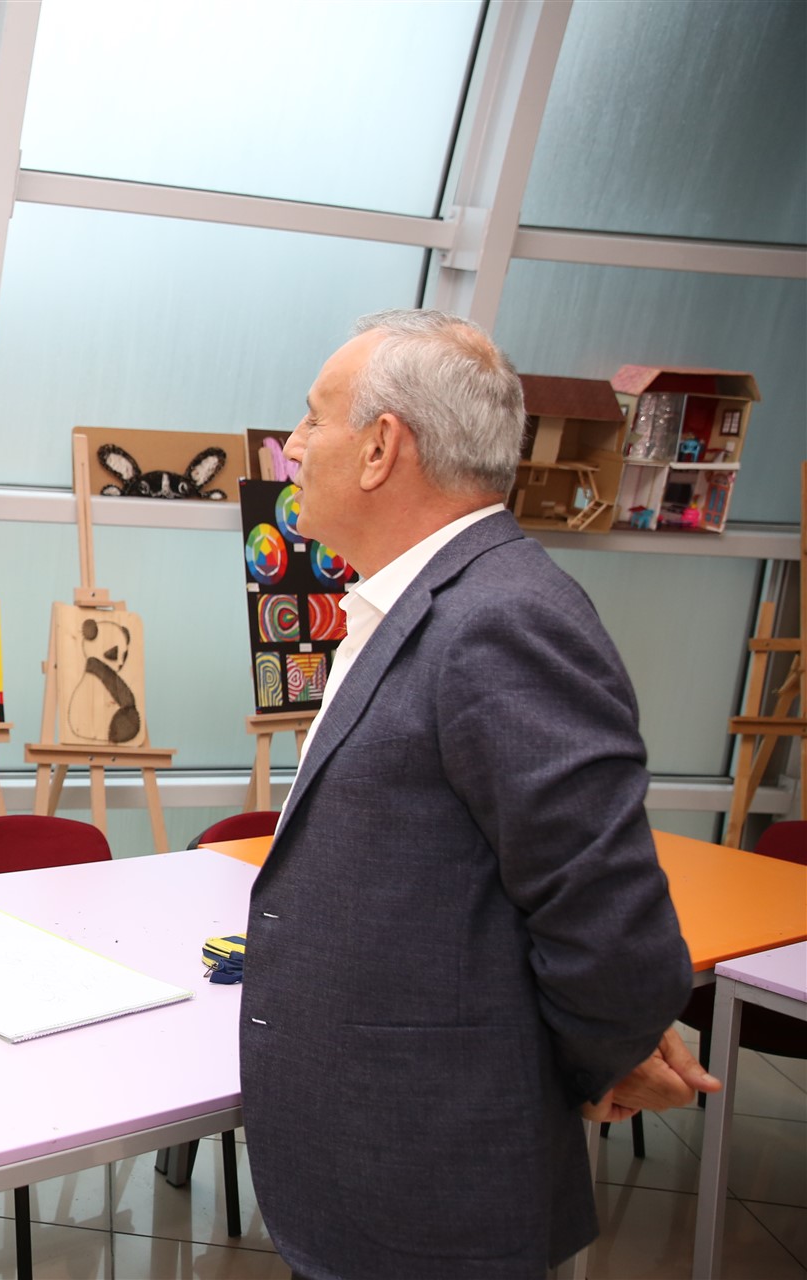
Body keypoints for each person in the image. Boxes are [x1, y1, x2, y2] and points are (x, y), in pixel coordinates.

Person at [243, 310, 713, 1277]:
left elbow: (605, 910)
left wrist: (603, 1054)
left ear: (382, 448)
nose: (293, 445)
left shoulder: (501, 619)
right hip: (374, 1163)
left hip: (430, 1186)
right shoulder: (418, 605)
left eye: (314, 417)